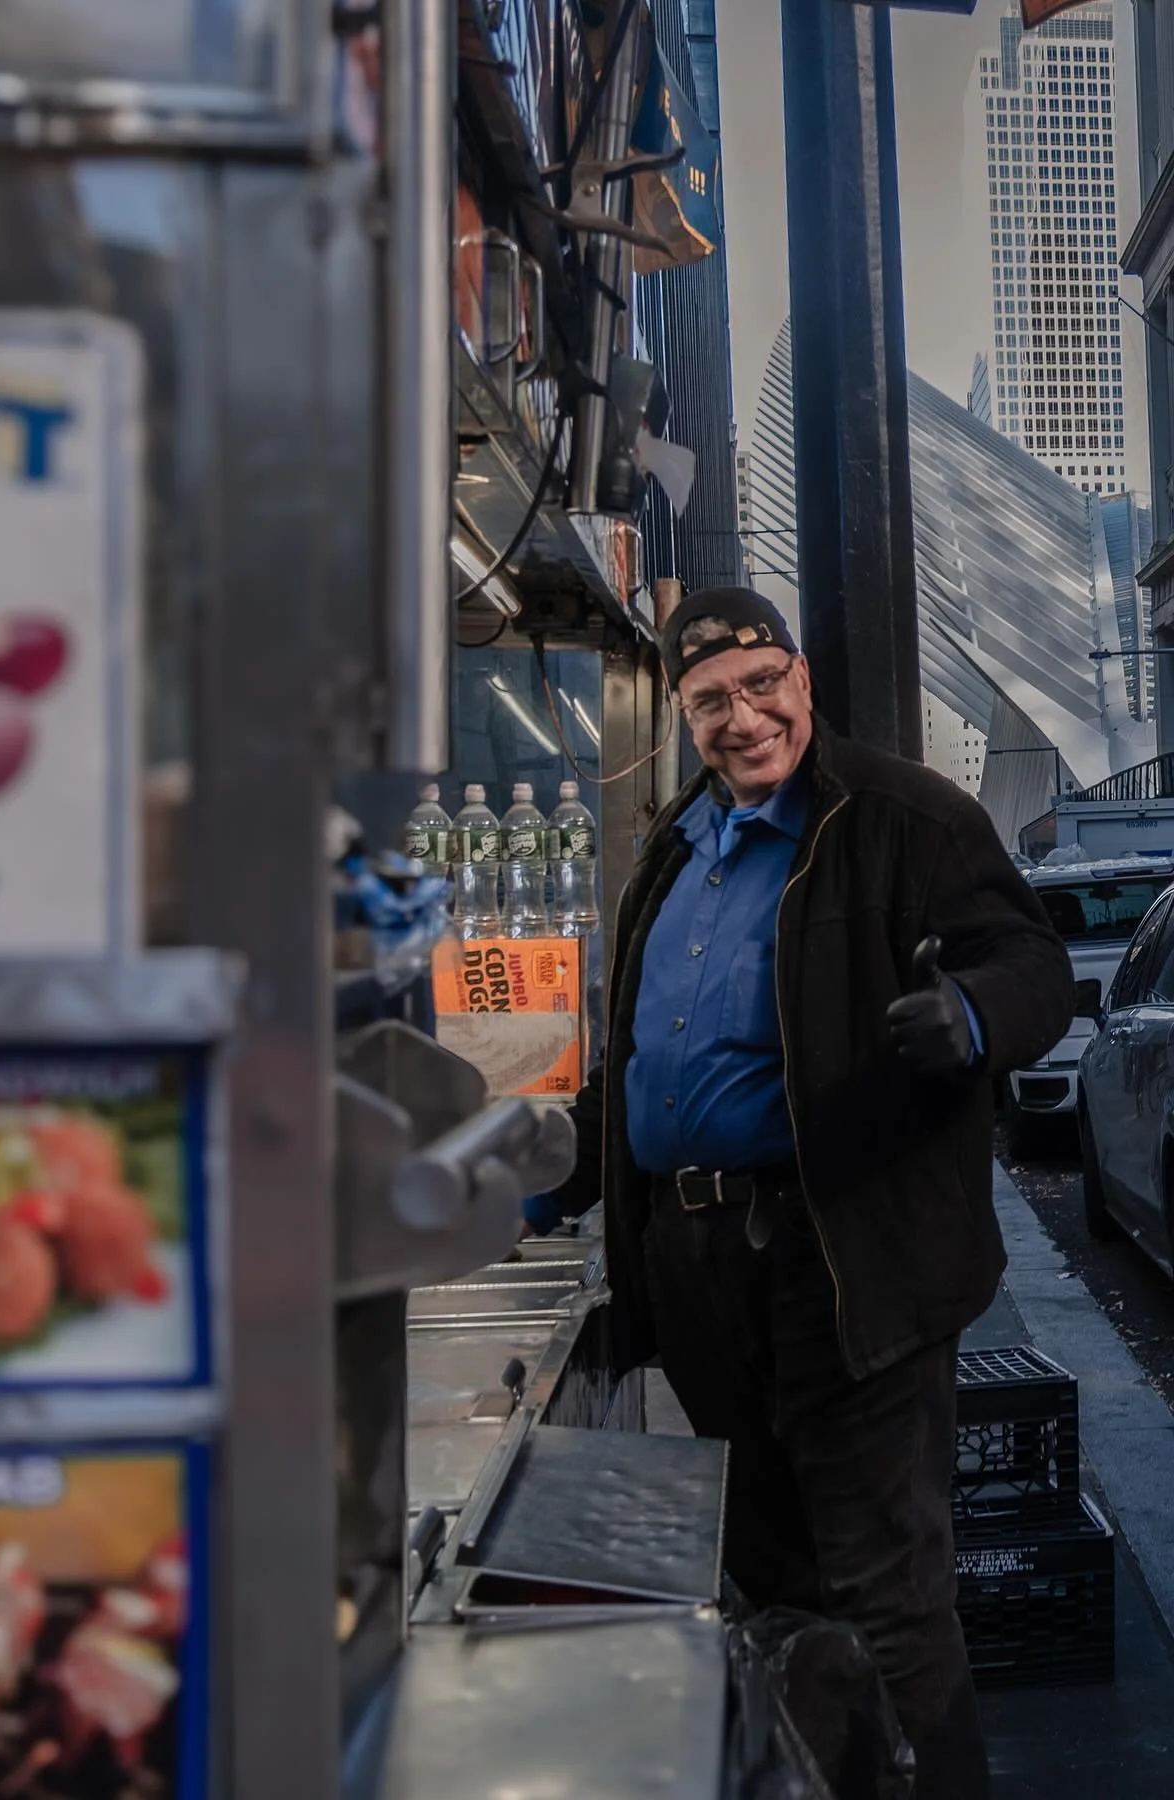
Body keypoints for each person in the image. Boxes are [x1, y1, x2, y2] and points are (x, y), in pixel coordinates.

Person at [522, 587, 1073, 1800]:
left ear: (804, 679)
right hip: (705, 1270)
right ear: (681, 714)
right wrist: (544, 1175)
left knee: (886, 1597)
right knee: (768, 1587)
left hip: (849, 1266)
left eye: (762, 684)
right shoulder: (674, 848)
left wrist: (971, 1017)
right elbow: (647, 1066)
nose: (744, 716)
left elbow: (1034, 964)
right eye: (712, 700)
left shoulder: (901, 817)